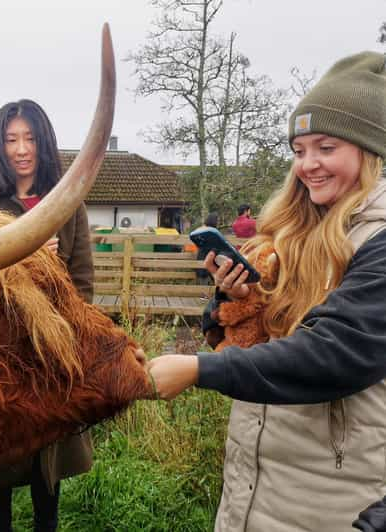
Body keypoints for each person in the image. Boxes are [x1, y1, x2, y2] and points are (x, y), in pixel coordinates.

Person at [147, 51, 386, 531]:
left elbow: (333, 354)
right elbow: (260, 341)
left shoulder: (379, 242)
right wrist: (237, 302)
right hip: (255, 489)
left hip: (337, 499)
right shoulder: (290, 235)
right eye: (299, 151)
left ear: (371, 150)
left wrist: (198, 370)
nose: (308, 165)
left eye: (326, 147)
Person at [0, 99, 94, 532]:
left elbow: (84, 284)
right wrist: (23, 260)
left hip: (51, 358)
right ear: (0, 146)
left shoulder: (68, 203)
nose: (21, 149)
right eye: (11, 139)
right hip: (2, 359)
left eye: (30, 138)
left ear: (44, 143)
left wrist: (55, 278)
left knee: (46, 467)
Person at [195, 212, 219, 284]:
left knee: (204, 281)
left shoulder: (201, 229)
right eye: (217, 220)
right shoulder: (213, 231)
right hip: (207, 257)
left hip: (202, 257)